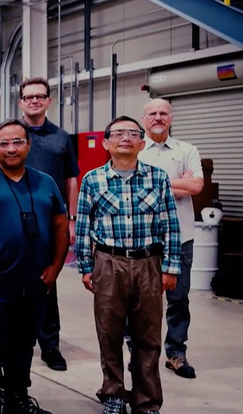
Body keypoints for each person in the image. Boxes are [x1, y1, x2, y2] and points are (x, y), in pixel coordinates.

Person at [0, 119, 69, 414]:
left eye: (17, 141)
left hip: (34, 282)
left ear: (28, 145)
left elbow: (59, 225)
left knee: (23, 343)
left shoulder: (46, 182)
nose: (10, 148)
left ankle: (17, 397)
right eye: (3, 143)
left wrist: (56, 267)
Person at [76, 116, 180, 414]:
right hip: (108, 263)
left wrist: (170, 267)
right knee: (109, 333)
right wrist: (85, 266)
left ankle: (147, 401)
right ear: (106, 143)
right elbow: (83, 227)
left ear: (141, 142)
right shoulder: (92, 180)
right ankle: (113, 395)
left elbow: (171, 225)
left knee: (148, 335)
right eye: (118, 133)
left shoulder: (158, 178)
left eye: (132, 133)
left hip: (149, 263)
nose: (125, 138)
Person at [0, 77, 79, 371]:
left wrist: (72, 220)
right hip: (10, 223)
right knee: (8, 281)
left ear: (49, 101)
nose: (35, 101)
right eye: (29, 97)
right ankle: (6, 340)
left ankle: (50, 344)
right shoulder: (10, 136)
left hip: (49, 222)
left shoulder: (62, 138)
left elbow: (71, 179)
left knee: (47, 281)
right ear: (21, 102)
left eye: (40, 96)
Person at [139, 99, 203, 379]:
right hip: (143, 239)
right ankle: (139, 351)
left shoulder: (187, 150)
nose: (158, 117)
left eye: (163, 113)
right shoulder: (135, 150)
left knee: (179, 299)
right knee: (140, 300)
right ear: (144, 120)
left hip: (180, 239)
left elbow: (197, 185)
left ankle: (175, 353)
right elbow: (133, 187)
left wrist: (156, 183)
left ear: (171, 118)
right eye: (152, 113)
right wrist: (177, 184)